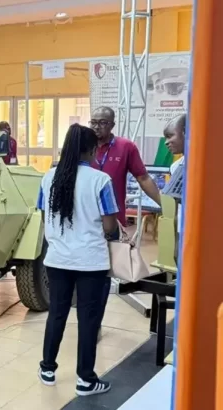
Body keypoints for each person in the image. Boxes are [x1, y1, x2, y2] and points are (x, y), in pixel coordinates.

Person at [36, 124, 119, 396]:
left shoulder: (48, 178)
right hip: (91, 262)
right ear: (92, 150)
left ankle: (47, 368)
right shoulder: (100, 180)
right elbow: (109, 225)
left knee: (57, 314)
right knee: (88, 319)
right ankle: (86, 379)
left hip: (57, 259)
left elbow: (43, 212)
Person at [88, 106, 163, 340]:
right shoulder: (84, 145)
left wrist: (165, 203)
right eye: (93, 122)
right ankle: (87, 318)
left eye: (102, 122)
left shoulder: (126, 147)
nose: (97, 127)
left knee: (102, 278)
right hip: (84, 224)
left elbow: (143, 178)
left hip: (111, 225)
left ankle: (94, 324)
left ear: (112, 124)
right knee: (84, 277)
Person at [164, 113, 187, 264]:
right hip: (181, 229)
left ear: (186, 132)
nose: (167, 142)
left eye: (170, 136)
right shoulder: (175, 166)